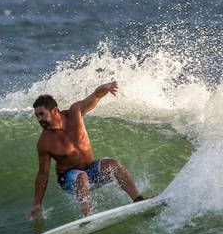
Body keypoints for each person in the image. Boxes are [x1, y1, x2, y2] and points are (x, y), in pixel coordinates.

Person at [27, 81, 147, 219]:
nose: (39, 119)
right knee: (81, 177)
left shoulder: (75, 113)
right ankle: (89, 217)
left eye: (42, 114)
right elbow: (43, 174)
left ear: (54, 111)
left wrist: (107, 88)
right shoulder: (45, 142)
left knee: (113, 164)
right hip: (68, 180)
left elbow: (96, 95)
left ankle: (138, 200)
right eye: (37, 116)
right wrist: (37, 204)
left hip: (91, 171)